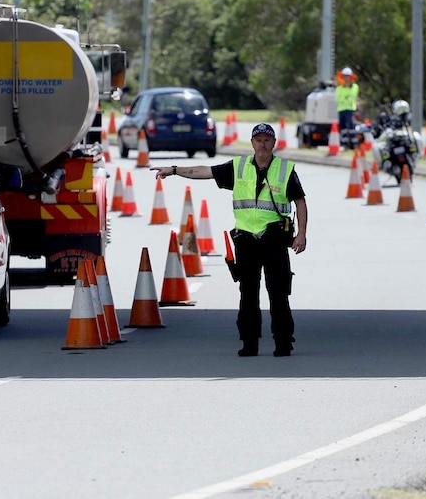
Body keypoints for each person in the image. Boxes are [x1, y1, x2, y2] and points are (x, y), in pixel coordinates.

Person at [151, 123, 308, 357]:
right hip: (246, 240)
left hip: (274, 238)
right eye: (258, 140)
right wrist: (173, 170)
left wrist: (301, 234)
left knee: (278, 293)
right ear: (252, 143)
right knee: (248, 293)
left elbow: (300, 202)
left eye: (267, 140)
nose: (263, 144)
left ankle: (283, 342)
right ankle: (249, 342)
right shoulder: (239, 166)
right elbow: (205, 171)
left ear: (274, 143)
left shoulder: (285, 170)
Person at [335, 66, 360, 141]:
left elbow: (352, 97)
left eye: (347, 76)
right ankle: (345, 143)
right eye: (344, 76)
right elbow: (337, 98)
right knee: (343, 128)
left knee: (351, 126)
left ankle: (354, 143)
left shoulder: (355, 87)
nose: (346, 78)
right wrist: (344, 99)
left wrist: (344, 99)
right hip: (341, 110)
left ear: (351, 77)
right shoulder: (339, 88)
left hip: (350, 109)